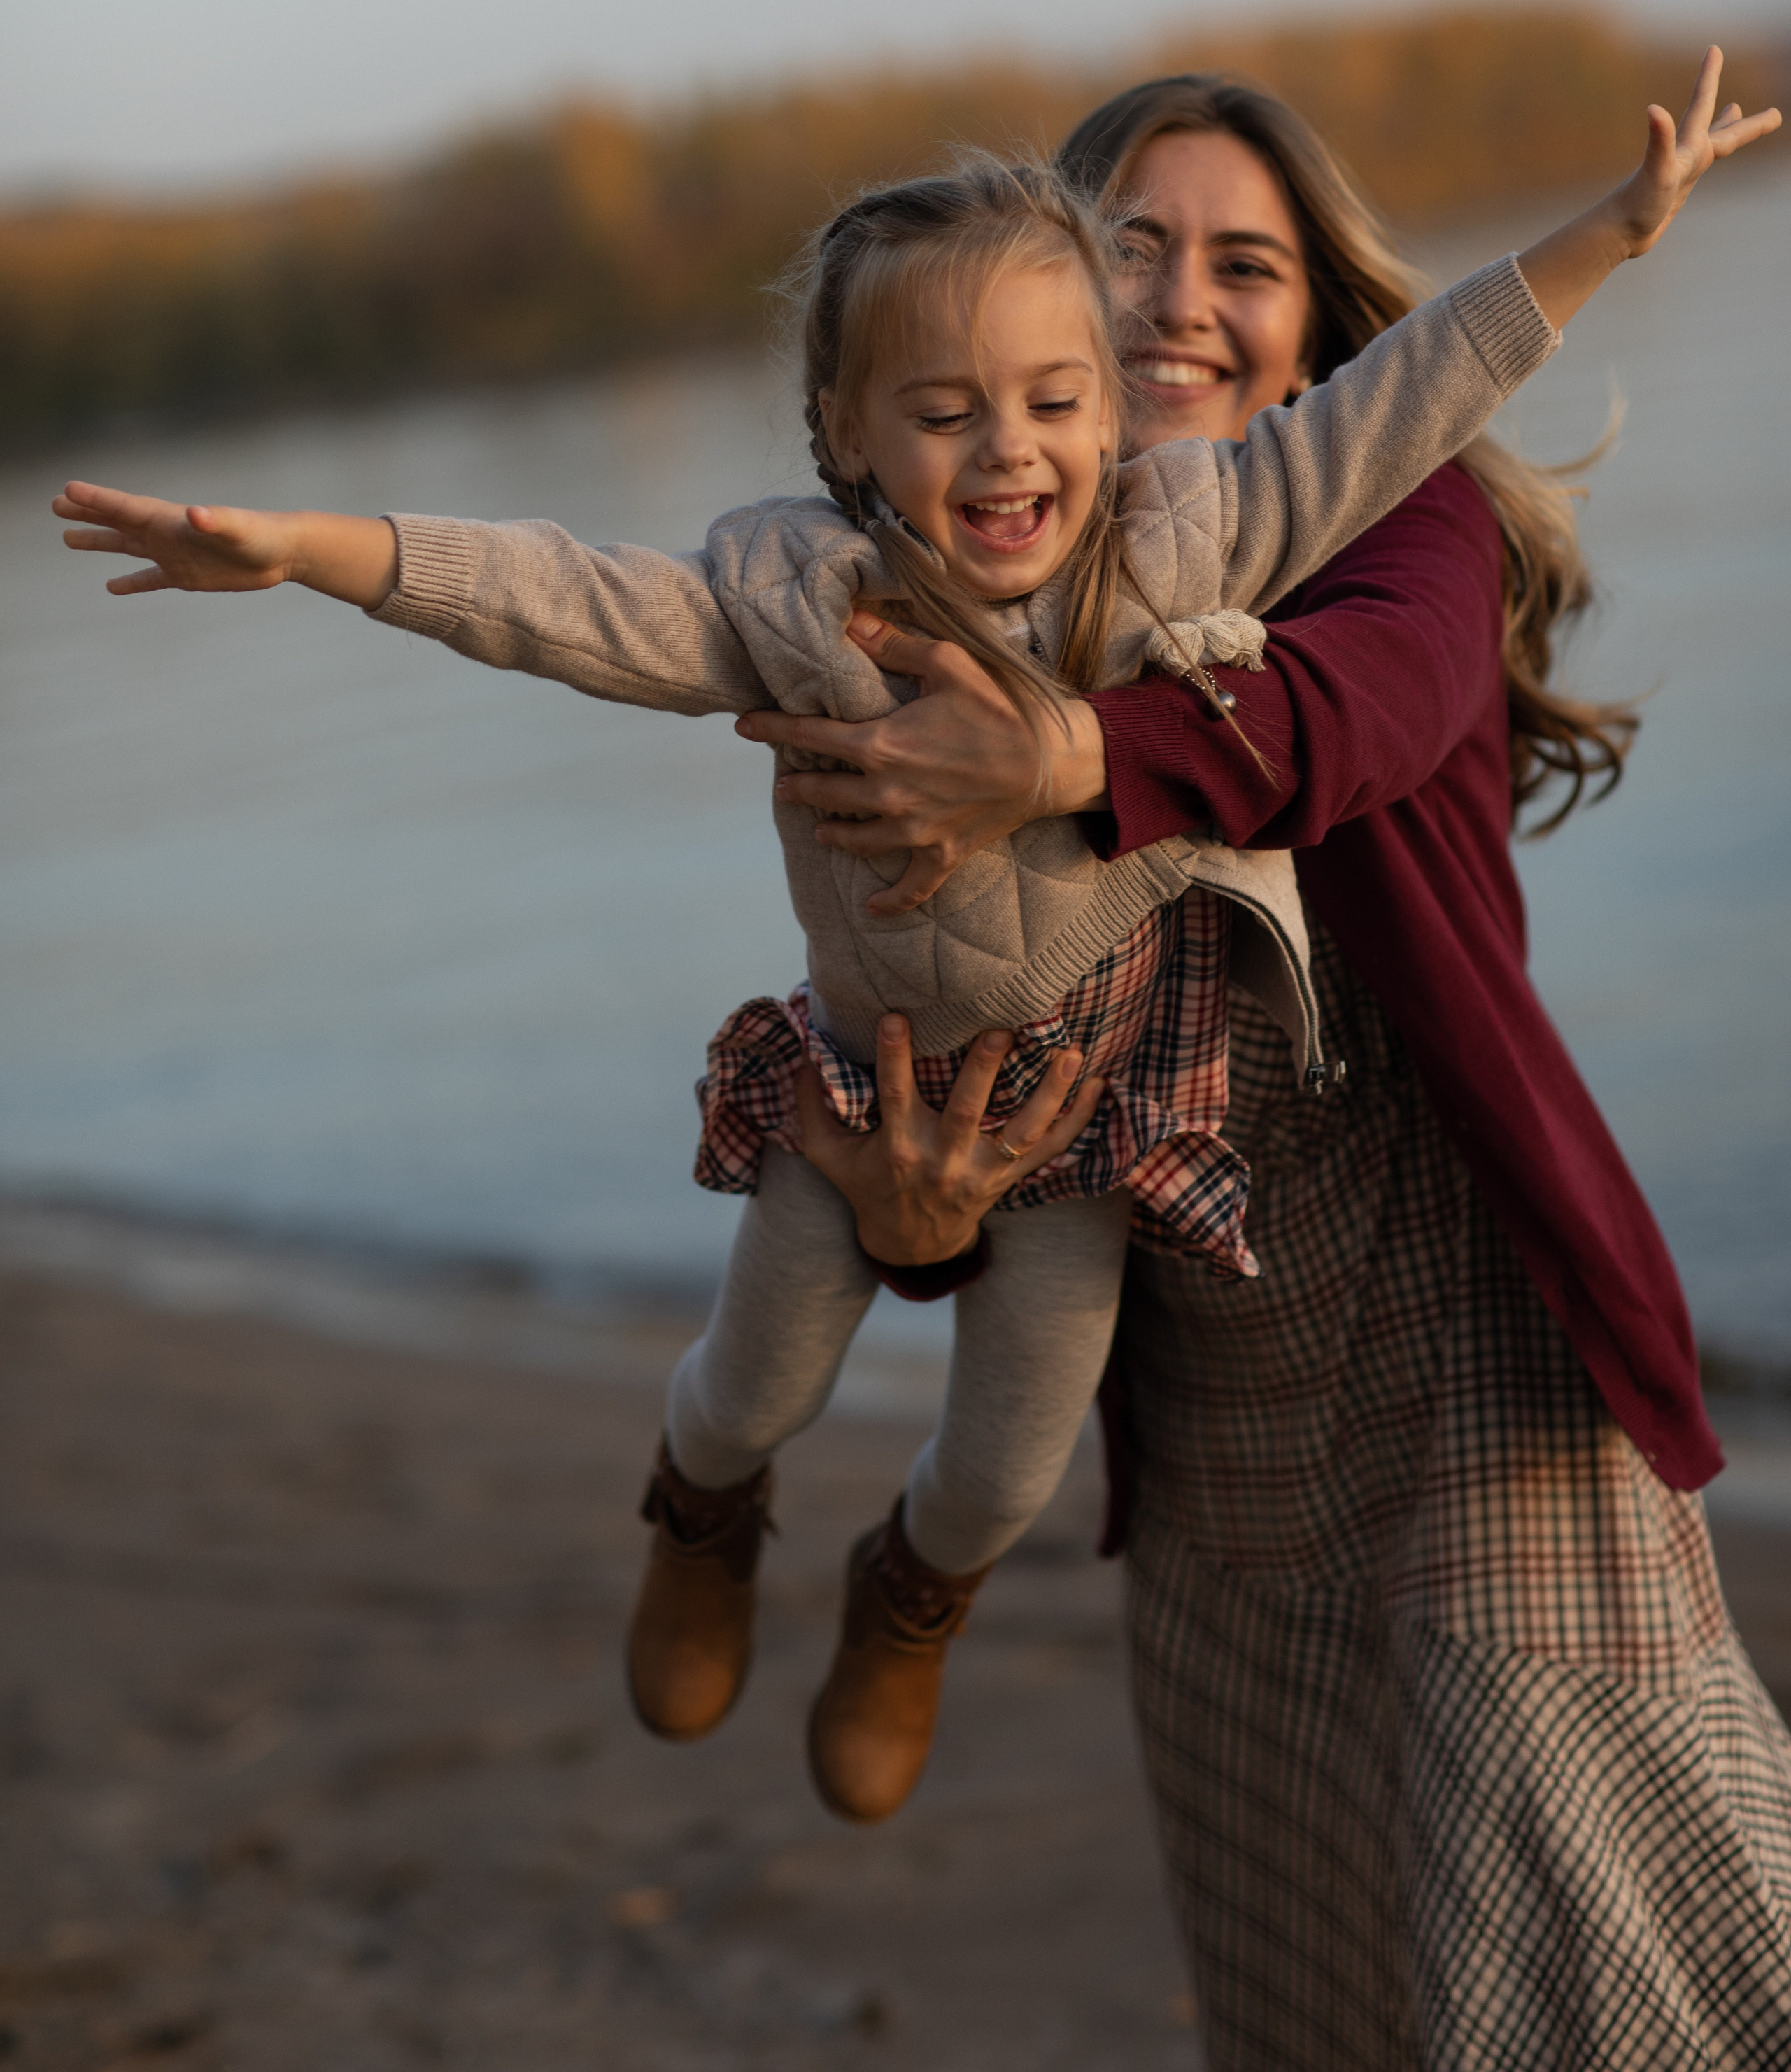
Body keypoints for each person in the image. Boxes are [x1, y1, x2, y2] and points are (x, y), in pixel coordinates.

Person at [51, 58, 1774, 1842]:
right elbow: (555, 595)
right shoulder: (803, 598)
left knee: (1011, 1461)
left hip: (1106, 1135)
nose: (1009, 445)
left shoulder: (1210, 530)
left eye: (1052, 397)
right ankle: (699, 1507)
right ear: (846, 428)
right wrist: (315, 551)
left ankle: (907, 1595)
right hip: (862, 1086)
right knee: (758, 1378)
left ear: (1103, 404)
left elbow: (1406, 419)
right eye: (946, 407)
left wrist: (1610, 233)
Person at [737, 57, 1791, 2072]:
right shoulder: (927, 623)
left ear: (1321, 325)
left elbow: (1337, 723)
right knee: (1329, 1987)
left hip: (1471, 1340)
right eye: (1130, 250)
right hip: (1208, 1407)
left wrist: (1065, 758)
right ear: (1033, 292)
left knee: (1632, 1930)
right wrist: (925, 1227)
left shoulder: (1418, 529)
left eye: (1247, 264)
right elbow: (977, 1027)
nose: (1183, 303)